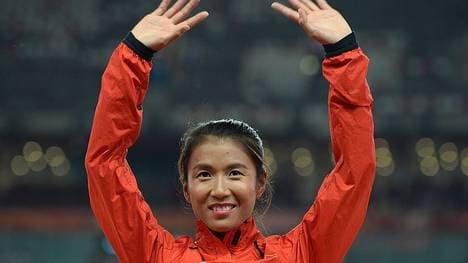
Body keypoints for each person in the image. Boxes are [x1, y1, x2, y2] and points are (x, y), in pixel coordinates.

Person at [85, 0, 376, 262]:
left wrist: (343, 53)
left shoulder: (302, 254)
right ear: (186, 188)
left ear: (260, 182)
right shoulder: (156, 256)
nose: (220, 190)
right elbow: (104, 164)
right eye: (204, 174)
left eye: (235, 173)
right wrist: (133, 55)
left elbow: (355, 168)